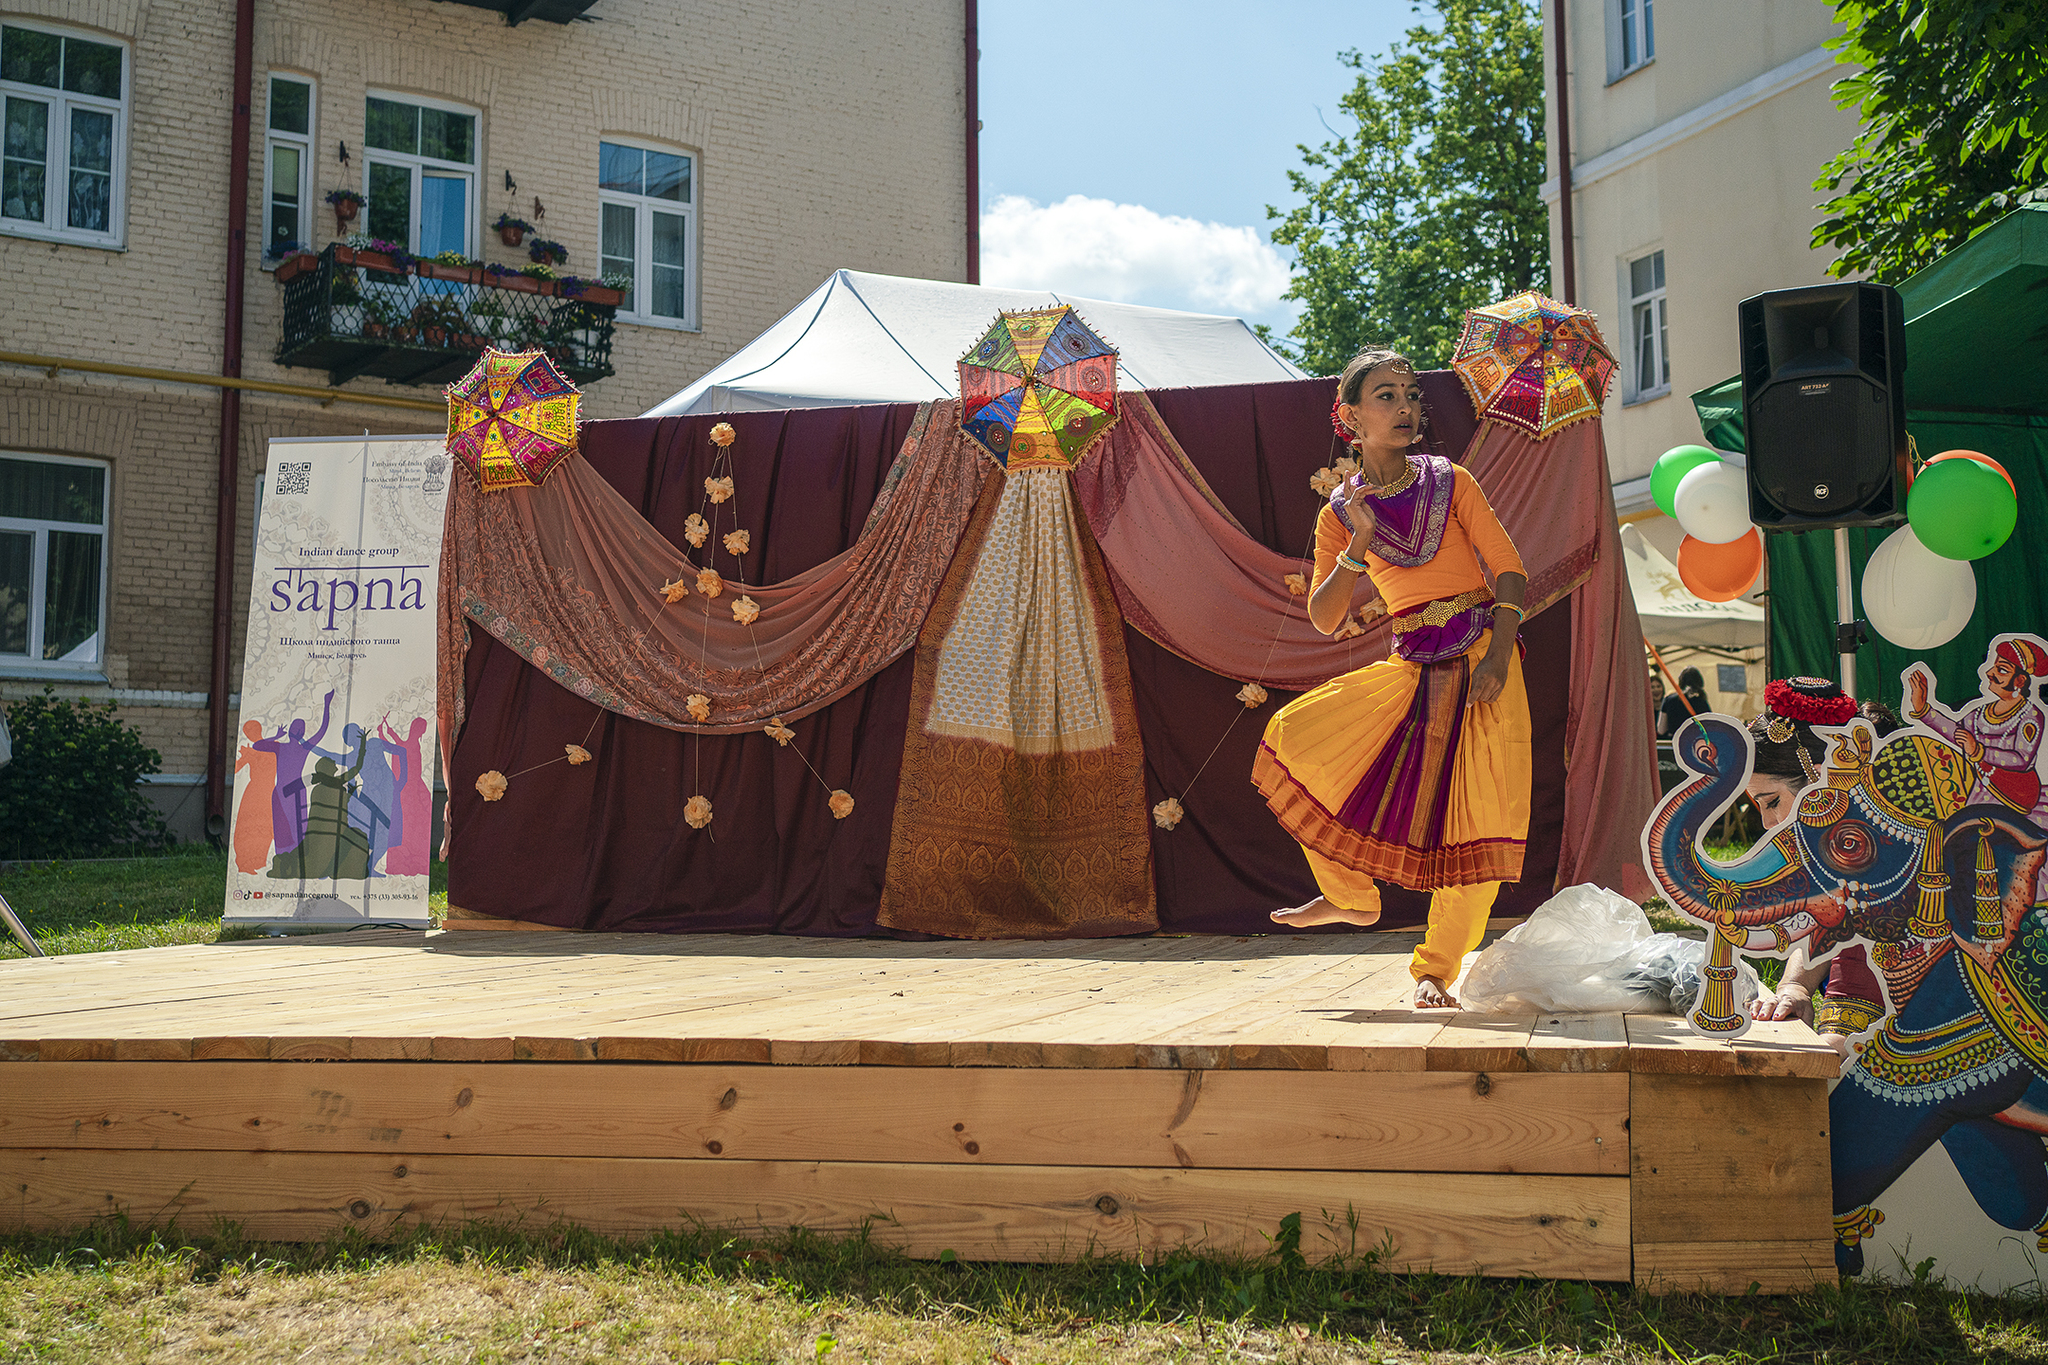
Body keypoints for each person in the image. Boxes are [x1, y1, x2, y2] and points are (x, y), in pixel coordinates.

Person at [1255, 348, 1532, 1009]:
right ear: (1349, 415)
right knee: (1291, 735)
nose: (1406, 407)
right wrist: (1357, 544)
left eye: (1411, 394)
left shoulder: (1451, 481)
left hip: (1481, 656)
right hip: (1411, 665)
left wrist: (1497, 654)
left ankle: (1434, 971)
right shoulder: (1338, 513)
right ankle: (1350, 895)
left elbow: (1511, 570)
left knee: (1478, 816)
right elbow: (1325, 617)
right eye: (1386, 395)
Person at [1744, 679, 1903, 1051]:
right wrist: (1795, 988)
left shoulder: (1912, 831)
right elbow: (1822, 923)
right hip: (1851, 1005)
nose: (1768, 824)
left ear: (1818, 779)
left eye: (1771, 802)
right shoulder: (1822, 841)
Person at [1657, 666, 1710, 739]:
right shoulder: (1701, 701)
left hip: (1674, 743)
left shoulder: (1669, 700)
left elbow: (1661, 730)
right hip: (1694, 743)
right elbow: (1709, 728)